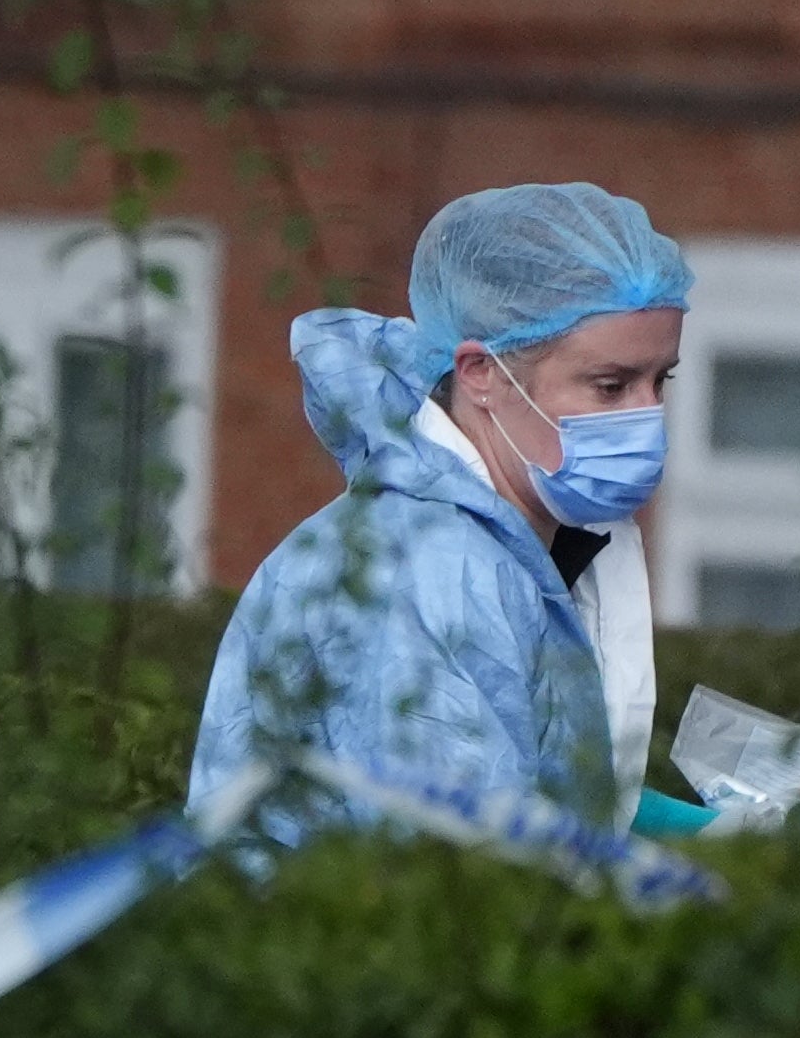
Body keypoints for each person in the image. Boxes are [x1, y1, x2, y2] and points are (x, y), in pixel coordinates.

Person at [187, 180, 702, 843]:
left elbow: (529, 787)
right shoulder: (432, 567)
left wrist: (717, 834)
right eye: (610, 386)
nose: (645, 416)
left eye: (660, 380)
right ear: (481, 372)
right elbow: (462, 865)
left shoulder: (499, 543)